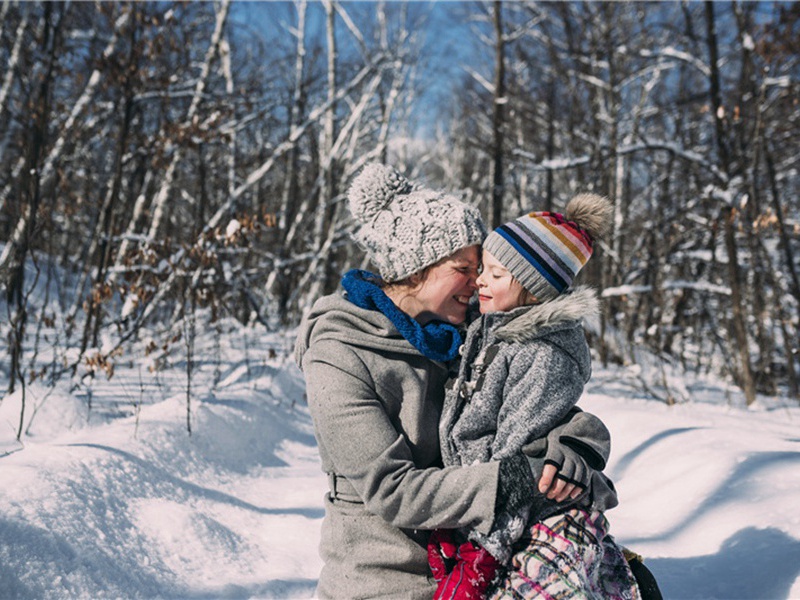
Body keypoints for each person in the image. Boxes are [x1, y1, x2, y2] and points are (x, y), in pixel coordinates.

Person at [294, 163, 613, 599]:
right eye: (464, 266)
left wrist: (572, 444)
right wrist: (519, 477)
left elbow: (535, 404)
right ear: (414, 269)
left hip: (478, 570)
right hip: (384, 581)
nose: (477, 281)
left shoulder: (466, 334)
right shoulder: (338, 356)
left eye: (483, 267)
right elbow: (393, 491)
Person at [428, 195, 642, 599]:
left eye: (495, 273)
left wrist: (484, 550)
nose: (480, 281)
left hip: (531, 517)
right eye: (482, 270)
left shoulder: (542, 355)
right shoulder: (492, 329)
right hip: (483, 508)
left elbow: (514, 458)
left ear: (531, 287)